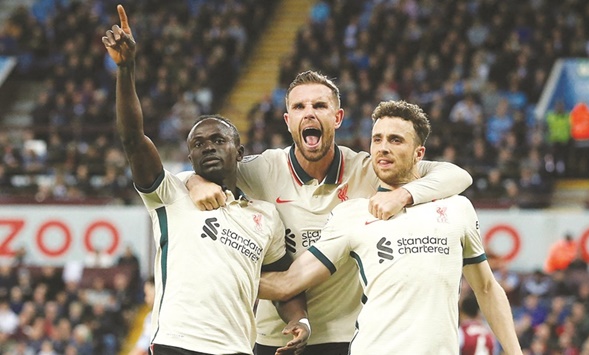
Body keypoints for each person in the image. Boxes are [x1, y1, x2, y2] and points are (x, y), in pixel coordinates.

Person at [186, 71, 473, 354]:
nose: (309, 114)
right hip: (275, 338)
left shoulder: (366, 169)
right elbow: (202, 167)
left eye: (320, 106)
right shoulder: (262, 168)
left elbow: (457, 175)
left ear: (337, 118)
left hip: (343, 336)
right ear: (288, 121)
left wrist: (404, 194)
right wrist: (194, 181)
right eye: (299, 107)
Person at [101, 5, 309, 354]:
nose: (208, 147)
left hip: (237, 348)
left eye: (218, 140)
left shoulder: (266, 216)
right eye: (198, 143)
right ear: (189, 156)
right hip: (176, 344)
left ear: (240, 152)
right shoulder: (170, 193)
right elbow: (133, 138)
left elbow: (283, 283)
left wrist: (299, 319)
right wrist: (126, 69)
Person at [258, 100, 522, 354]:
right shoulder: (352, 214)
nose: (383, 147)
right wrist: (224, 275)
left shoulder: (457, 209)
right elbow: (289, 283)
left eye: (395, 140)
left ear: (419, 153)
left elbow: (486, 288)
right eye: (377, 139)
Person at [129, 277, 155, 355]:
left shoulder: (153, 318)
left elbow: (142, 347)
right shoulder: (150, 317)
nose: (146, 299)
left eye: (147, 294)